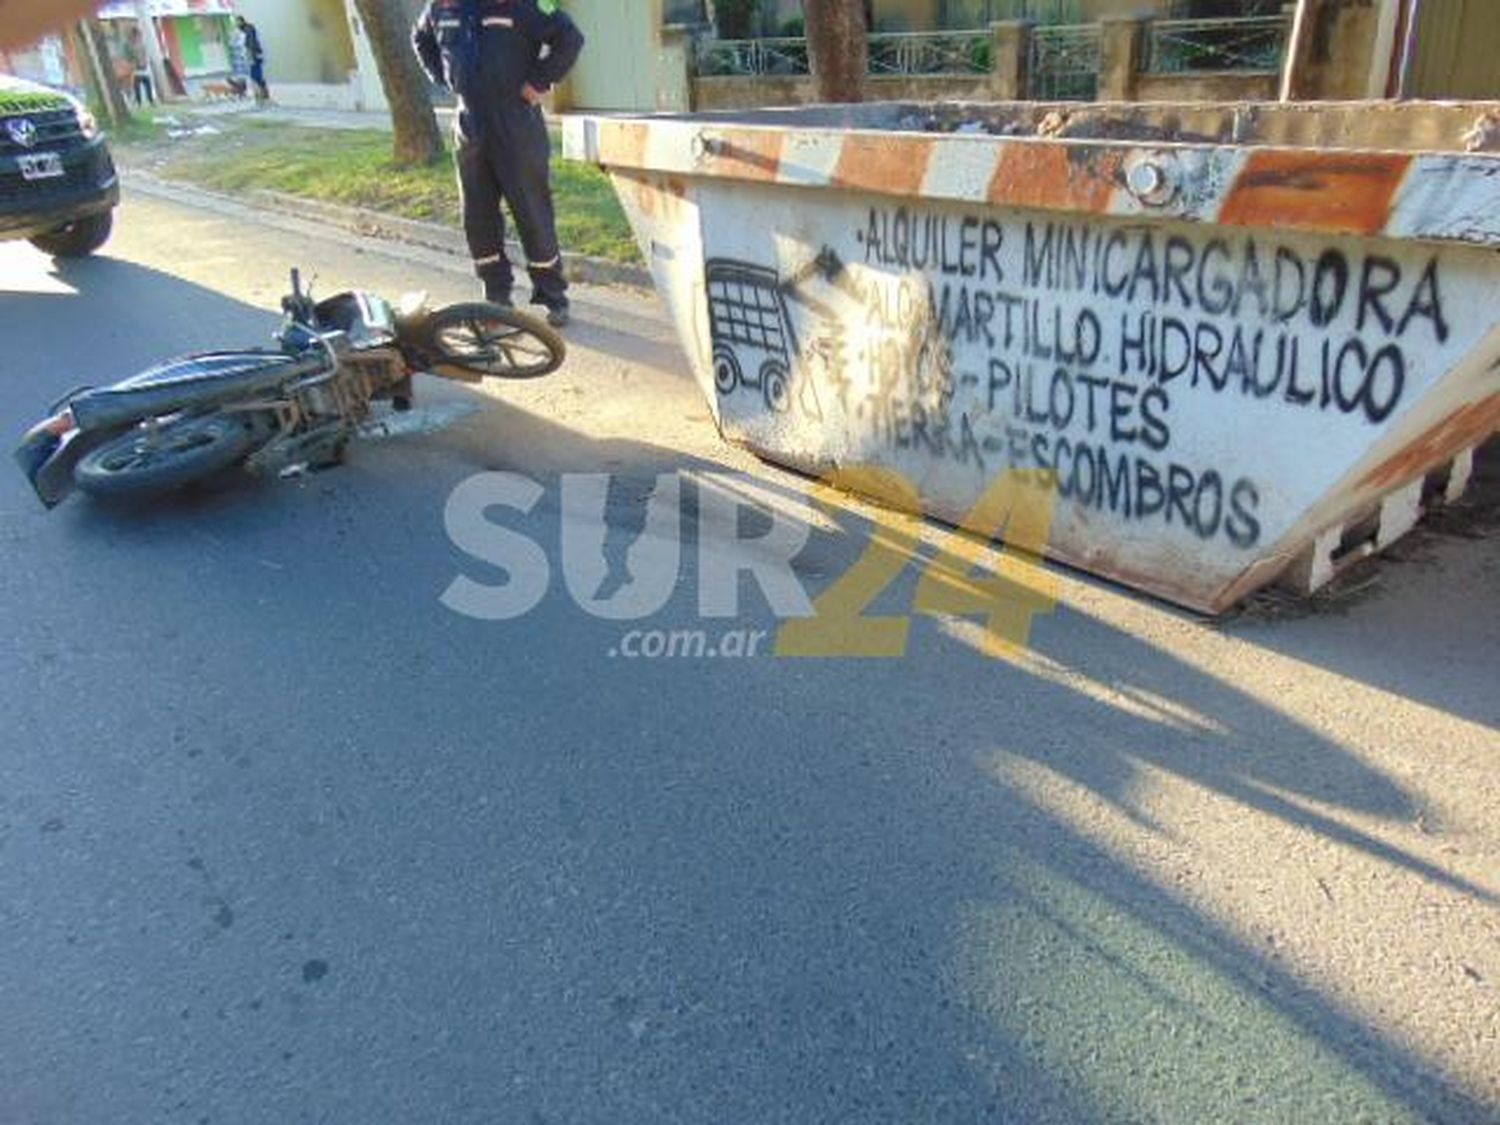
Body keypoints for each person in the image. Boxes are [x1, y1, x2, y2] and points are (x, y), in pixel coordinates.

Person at [412, 0, 584, 328]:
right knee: (477, 214)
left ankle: (552, 294)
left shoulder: (525, 4)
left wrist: (540, 81)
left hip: (515, 120)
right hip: (469, 122)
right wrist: (443, 76)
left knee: (531, 210)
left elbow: (570, 39)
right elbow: (421, 39)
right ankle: (496, 293)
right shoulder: (442, 6)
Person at [236, 16, 269, 103]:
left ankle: (262, 96)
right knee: (256, 76)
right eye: (237, 23)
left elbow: (250, 43)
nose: (237, 24)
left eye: (238, 22)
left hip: (254, 56)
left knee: (256, 76)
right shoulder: (247, 29)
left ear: (242, 21)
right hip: (255, 55)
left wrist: (251, 56)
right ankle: (262, 95)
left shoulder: (248, 29)